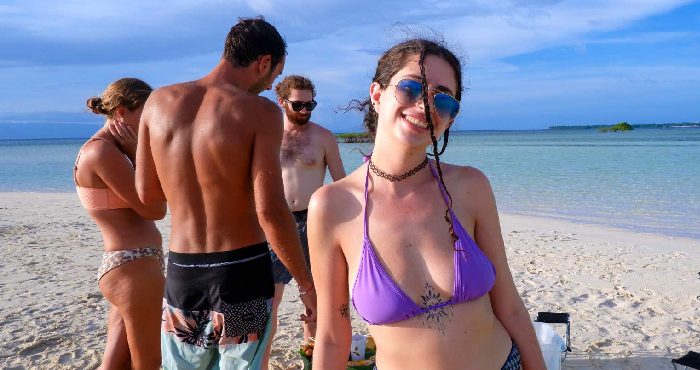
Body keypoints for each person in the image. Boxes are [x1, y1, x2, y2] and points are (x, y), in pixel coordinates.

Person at [309, 38, 546, 370]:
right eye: (411, 88)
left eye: (444, 99)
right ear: (377, 95)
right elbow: (333, 335)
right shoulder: (332, 206)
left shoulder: (469, 186)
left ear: (449, 117)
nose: (425, 105)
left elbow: (509, 306)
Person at [135, 17, 316, 368]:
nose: (270, 85)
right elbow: (271, 210)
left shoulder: (157, 102)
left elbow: (148, 196)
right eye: (274, 75)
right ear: (264, 62)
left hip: (183, 274)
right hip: (242, 275)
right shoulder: (259, 112)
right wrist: (306, 284)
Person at [75, 78, 165, 369]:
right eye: (147, 113)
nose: (153, 121)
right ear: (123, 112)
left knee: (117, 363)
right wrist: (139, 152)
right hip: (131, 265)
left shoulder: (110, 150)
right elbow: (155, 208)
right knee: (149, 361)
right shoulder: (102, 152)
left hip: (131, 264)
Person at [263, 75, 346, 362]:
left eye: (310, 104)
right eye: (298, 105)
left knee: (315, 299)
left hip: (312, 221)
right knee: (271, 302)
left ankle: (310, 359)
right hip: (275, 221)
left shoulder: (323, 137)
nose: (304, 111)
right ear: (281, 101)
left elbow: (340, 185)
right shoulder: (268, 135)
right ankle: (262, 361)